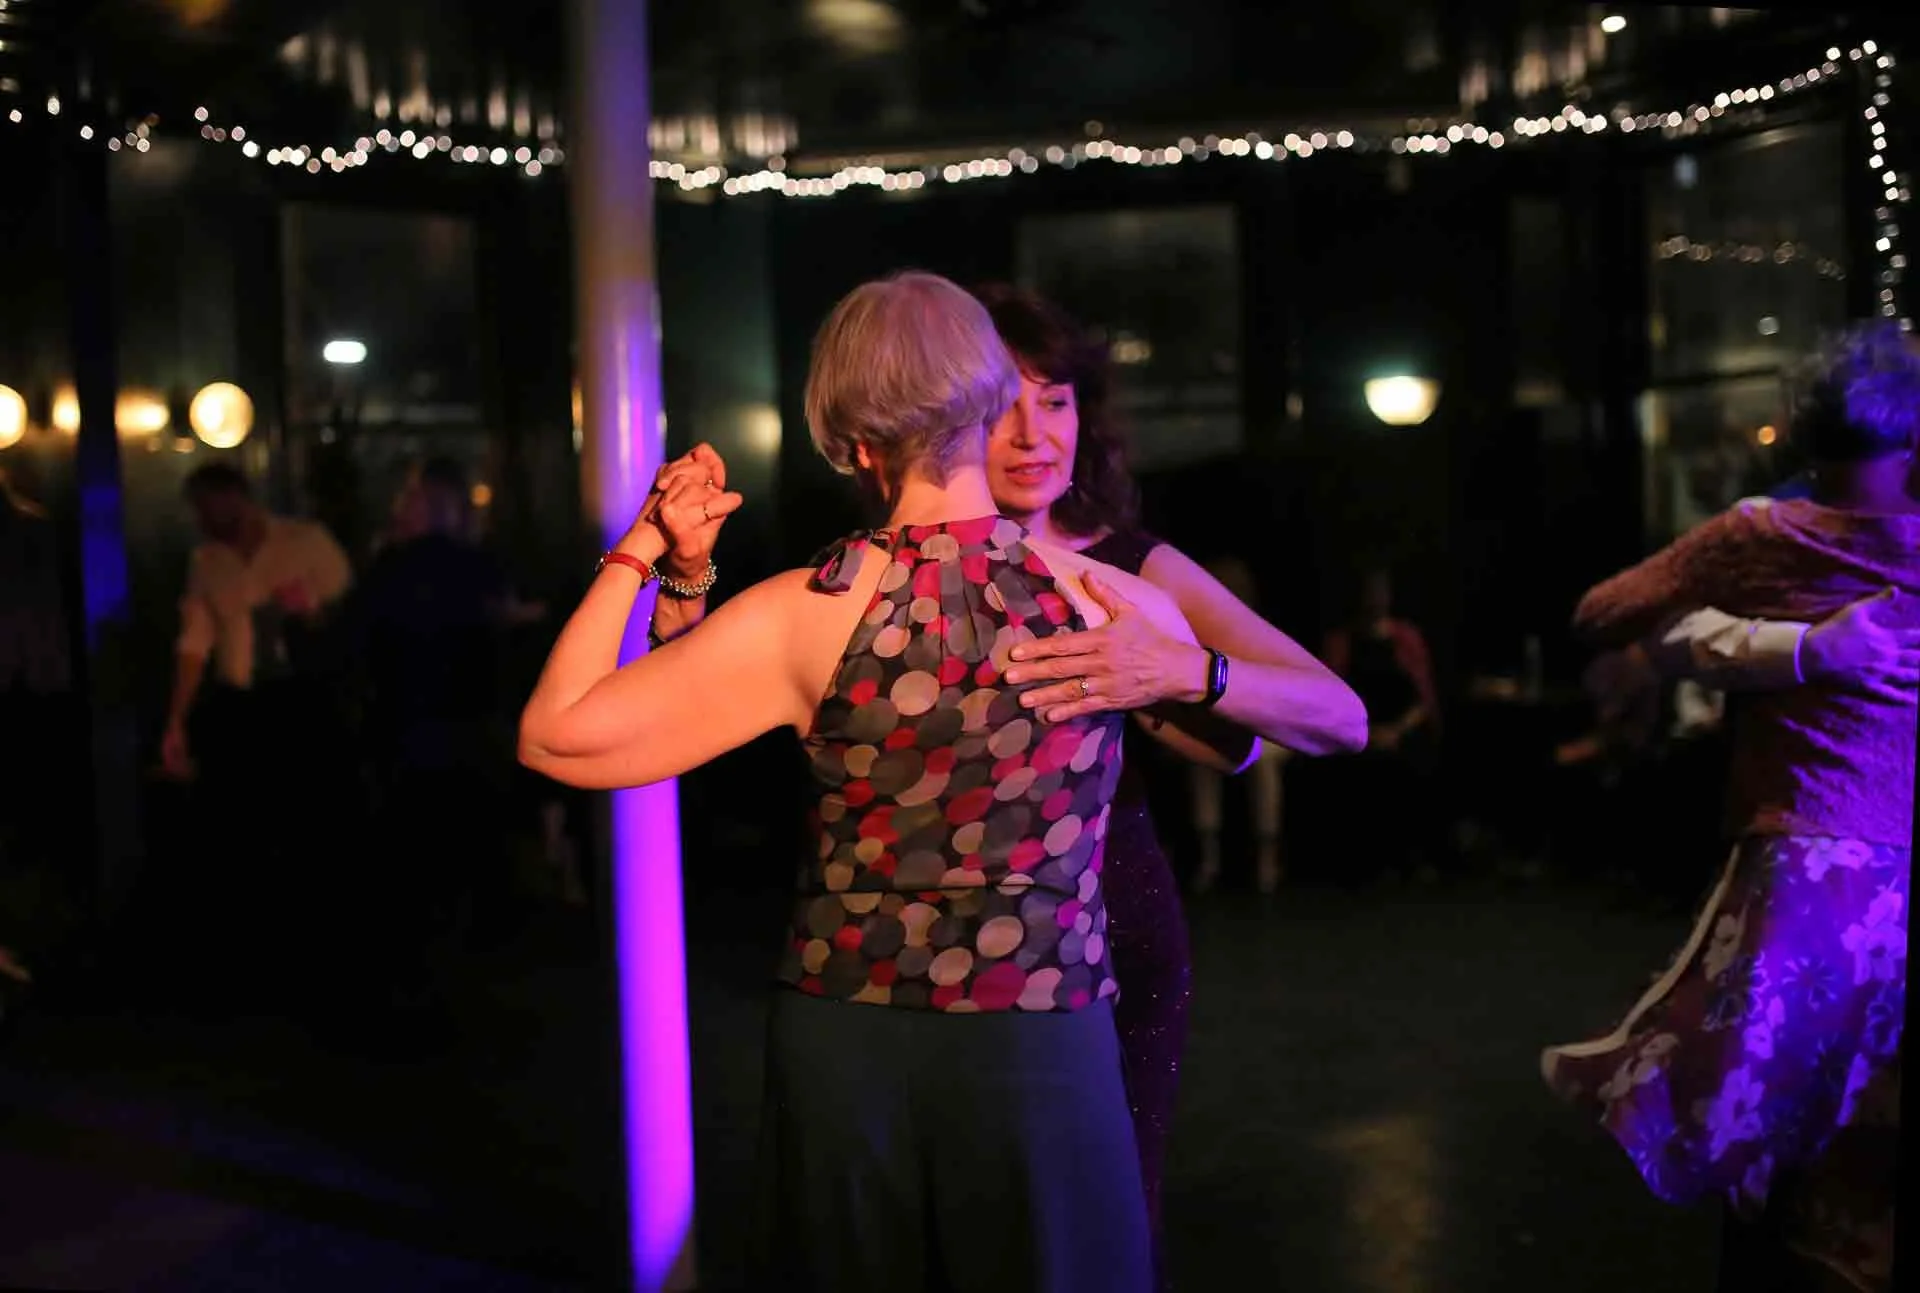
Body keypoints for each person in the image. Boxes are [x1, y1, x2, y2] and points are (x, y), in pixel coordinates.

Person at [521, 271, 1242, 1293]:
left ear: (853, 441)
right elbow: (1244, 742)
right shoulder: (1109, 600)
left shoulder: (800, 613)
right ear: (992, 402)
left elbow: (557, 737)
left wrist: (646, 550)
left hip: (848, 1040)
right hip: (1043, 1033)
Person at [643, 283, 1367, 1289]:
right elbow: (698, 712)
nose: (1035, 434)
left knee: (1093, 1244)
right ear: (949, 412)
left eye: (1059, 401)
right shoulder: (863, 581)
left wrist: (1185, 672)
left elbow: (1335, 717)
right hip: (909, 973)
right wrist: (679, 580)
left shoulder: (1126, 570)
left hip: (1105, 930)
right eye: (1010, 404)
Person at [1541, 321, 1920, 1293]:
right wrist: (1801, 648)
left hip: (1812, 871)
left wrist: (1772, 646)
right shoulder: (1774, 536)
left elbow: (1605, 616)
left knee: (1780, 1135)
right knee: (1827, 1143)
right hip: (1828, 871)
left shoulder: (1763, 534)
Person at [342, 457, 541, 1045]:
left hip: (409, 735)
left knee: (411, 872)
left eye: (410, 500)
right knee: (467, 863)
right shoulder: (476, 566)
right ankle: (472, 1000)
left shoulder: (391, 568)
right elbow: (503, 632)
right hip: (469, 733)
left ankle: (417, 1001)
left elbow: (355, 645)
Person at [159, 462, 353, 1000]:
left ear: (236, 499)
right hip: (241, 708)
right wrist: (177, 716)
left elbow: (349, 618)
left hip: (301, 702)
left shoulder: (305, 542)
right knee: (241, 830)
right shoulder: (207, 561)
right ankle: (254, 963)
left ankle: (313, 954)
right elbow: (194, 641)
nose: (201, 519)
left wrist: (310, 614)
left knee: (306, 826)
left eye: (207, 506)